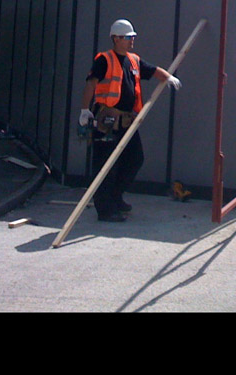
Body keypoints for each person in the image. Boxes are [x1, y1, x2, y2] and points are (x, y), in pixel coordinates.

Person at [78, 18, 182, 222]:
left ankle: (116, 197)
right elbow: (91, 84)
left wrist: (168, 77)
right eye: (127, 37)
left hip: (125, 121)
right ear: (116, 39)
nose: (131, 40)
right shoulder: (104, 60)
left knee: (135, 159)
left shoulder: (133, 60)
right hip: (106, 120)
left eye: (132, 37)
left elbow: (152, 70)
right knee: (105, 165)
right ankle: (105, 210)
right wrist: (84, 110)